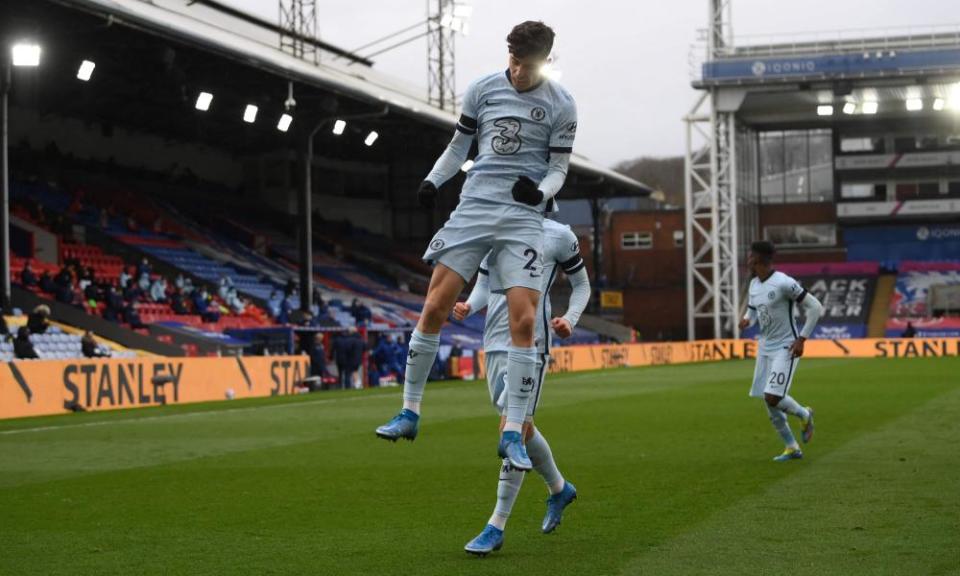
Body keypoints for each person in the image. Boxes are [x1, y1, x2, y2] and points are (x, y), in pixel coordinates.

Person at [375, 20, 578, 481]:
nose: (518, 71)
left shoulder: (562, 104)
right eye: (512, 60)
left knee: (525, 320)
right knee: (434, 307)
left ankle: (512, 428)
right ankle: (409, 411)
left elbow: (560, 169)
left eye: (526, 65)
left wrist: (540, 194)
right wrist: (433, 181)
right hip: (474, 207)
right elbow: (457, 146)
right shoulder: (482, 89)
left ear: (544, 61)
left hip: (523, 217)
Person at [453, 217, 591, 555]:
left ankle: (495, 526)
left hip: (532, 343)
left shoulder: (559, 235)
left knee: (512, 430)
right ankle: (559, 488)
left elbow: (582, 285)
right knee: (523, 431)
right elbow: (486, 283)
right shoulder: (494, 226)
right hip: (495, 341)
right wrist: (471, 305)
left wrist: (569, 320)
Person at [739, 241, 824, 463]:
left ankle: (805, 414)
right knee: (769, 400)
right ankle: (791, 447)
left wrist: (802, 339)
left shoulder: (784, 283)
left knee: (772, 396)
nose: (747, 259)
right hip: (765, 347)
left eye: (750, 256)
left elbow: (815, 307)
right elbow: (753, 310)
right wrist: (747, 320)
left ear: (757, 259)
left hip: (786, 346)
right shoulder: (754, 284)